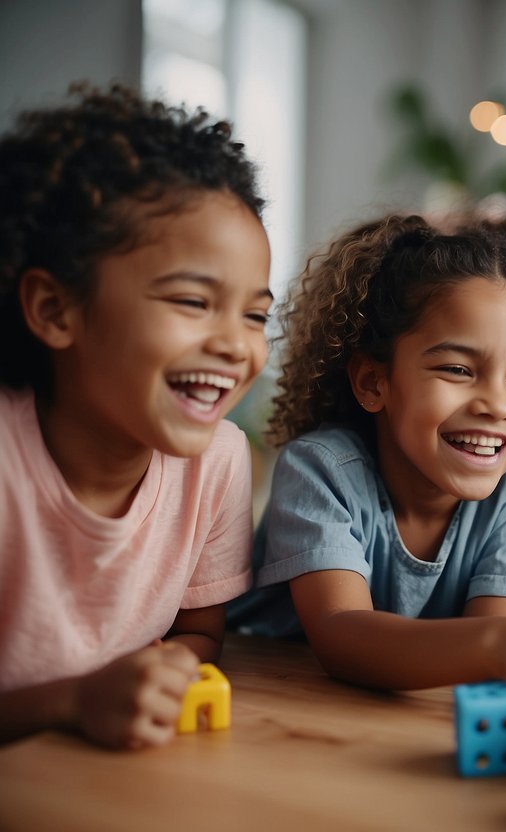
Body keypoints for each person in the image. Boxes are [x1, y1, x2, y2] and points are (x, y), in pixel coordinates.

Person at [229, 213, 506, 692]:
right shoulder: (321, 468)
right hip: (265, 693)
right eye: (458, 369)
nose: (496, 405)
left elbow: (492, 652)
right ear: (373, 381)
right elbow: (343, 636)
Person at [0, 84, 273, 748]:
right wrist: (72, 701)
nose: (237, 344)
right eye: (191, 300)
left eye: (256, 315)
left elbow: (198, 631)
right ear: (55, 311)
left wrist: (174, 667)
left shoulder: (218, 461)